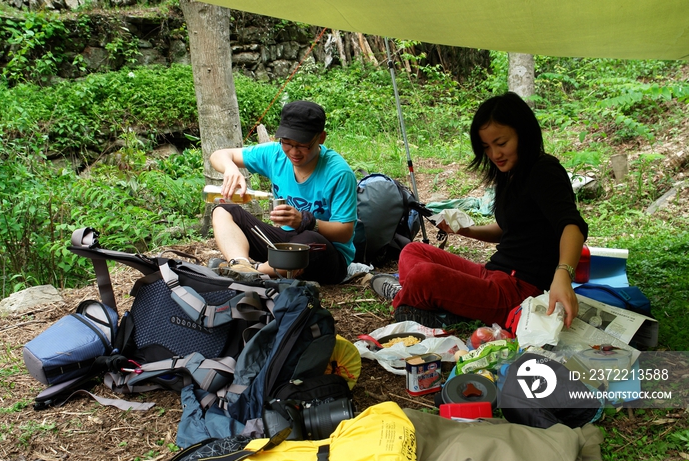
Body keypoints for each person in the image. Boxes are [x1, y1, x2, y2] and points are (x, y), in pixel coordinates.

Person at [371, 92, 588, 329]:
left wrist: (563, 275)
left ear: (523, 133)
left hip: (520, 292)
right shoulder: (511, 172)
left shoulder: (544, 171)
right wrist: (465, 230)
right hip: (493, 274)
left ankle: (406, 300)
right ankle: (428, 301)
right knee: (413, 251)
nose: (495, 155)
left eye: (502, 143)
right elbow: (508, 230)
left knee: (425, 276)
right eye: (487, 147)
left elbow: (571, 226)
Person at [209, 100, 357, 285]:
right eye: (287, 143)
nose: (293, 152)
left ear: (321, 138)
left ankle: (256, 272)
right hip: (283, 243)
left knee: (308, 240)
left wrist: (305, 221)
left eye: (302, 145)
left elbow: (345, 232)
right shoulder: (276, 154)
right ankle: (240, 265)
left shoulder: (339, 173)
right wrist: (231, 168)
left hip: (326, 254)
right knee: (224, 211)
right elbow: (219, 155)